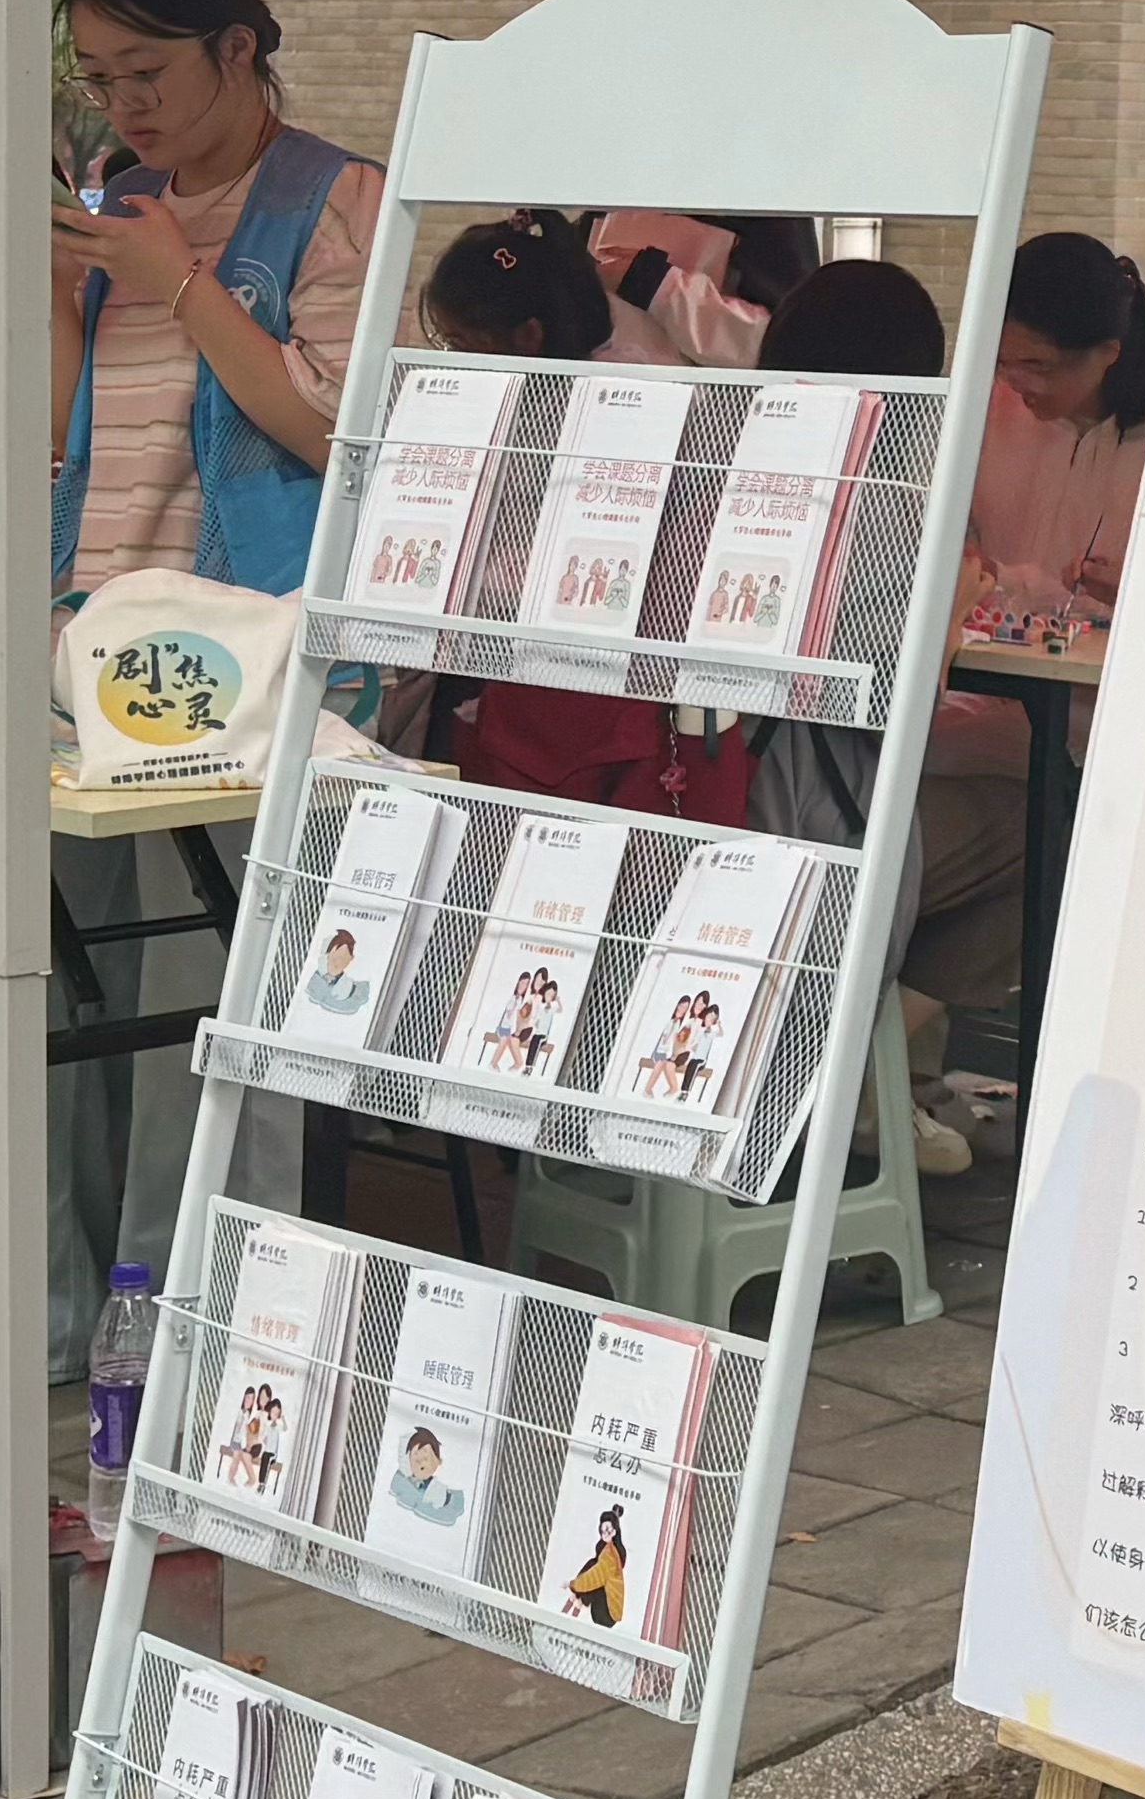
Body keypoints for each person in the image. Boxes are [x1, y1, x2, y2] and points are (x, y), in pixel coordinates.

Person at [0, 0, 381, 1410]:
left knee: (196, 1010)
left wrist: (181, 280)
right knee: (16, 979)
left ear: (237, 49)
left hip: (242, 665)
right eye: (99, 79)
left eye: (148, 73)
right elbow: (60, 432)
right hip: (81, 644)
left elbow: (337, 427)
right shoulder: (114, 205)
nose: (125, 107)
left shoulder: (338, 200)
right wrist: (58, 295)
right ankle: (5, 1315)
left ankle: (188, 1335)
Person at [742, 260, 1029, 1180]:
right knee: (1035, 827)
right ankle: (862, 1074)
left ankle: (881, 1077)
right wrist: (956, 604)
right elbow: (900, 703)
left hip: (694, 806)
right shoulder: (891, 505)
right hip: (813, 833)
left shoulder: (726, 463)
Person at [425, 213, 755, 826]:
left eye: (463, 344)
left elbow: (541, 564)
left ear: (527, 336)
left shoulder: (625, 402)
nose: (455, 361)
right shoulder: (592, 359)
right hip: (560, 678)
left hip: (610, 689)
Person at [974, 231, 1145, 635]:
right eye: (1000, 362)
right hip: (987, 657)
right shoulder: (986, 407)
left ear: (1108, 352)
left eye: (1036, 365)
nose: (1013, 382)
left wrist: (1140, 590)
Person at [588, 211, 810, 368]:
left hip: (701, 410)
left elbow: (774, 341)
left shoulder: (766, 205)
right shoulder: (606, 186)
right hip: (598, 395)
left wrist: (653, 283)